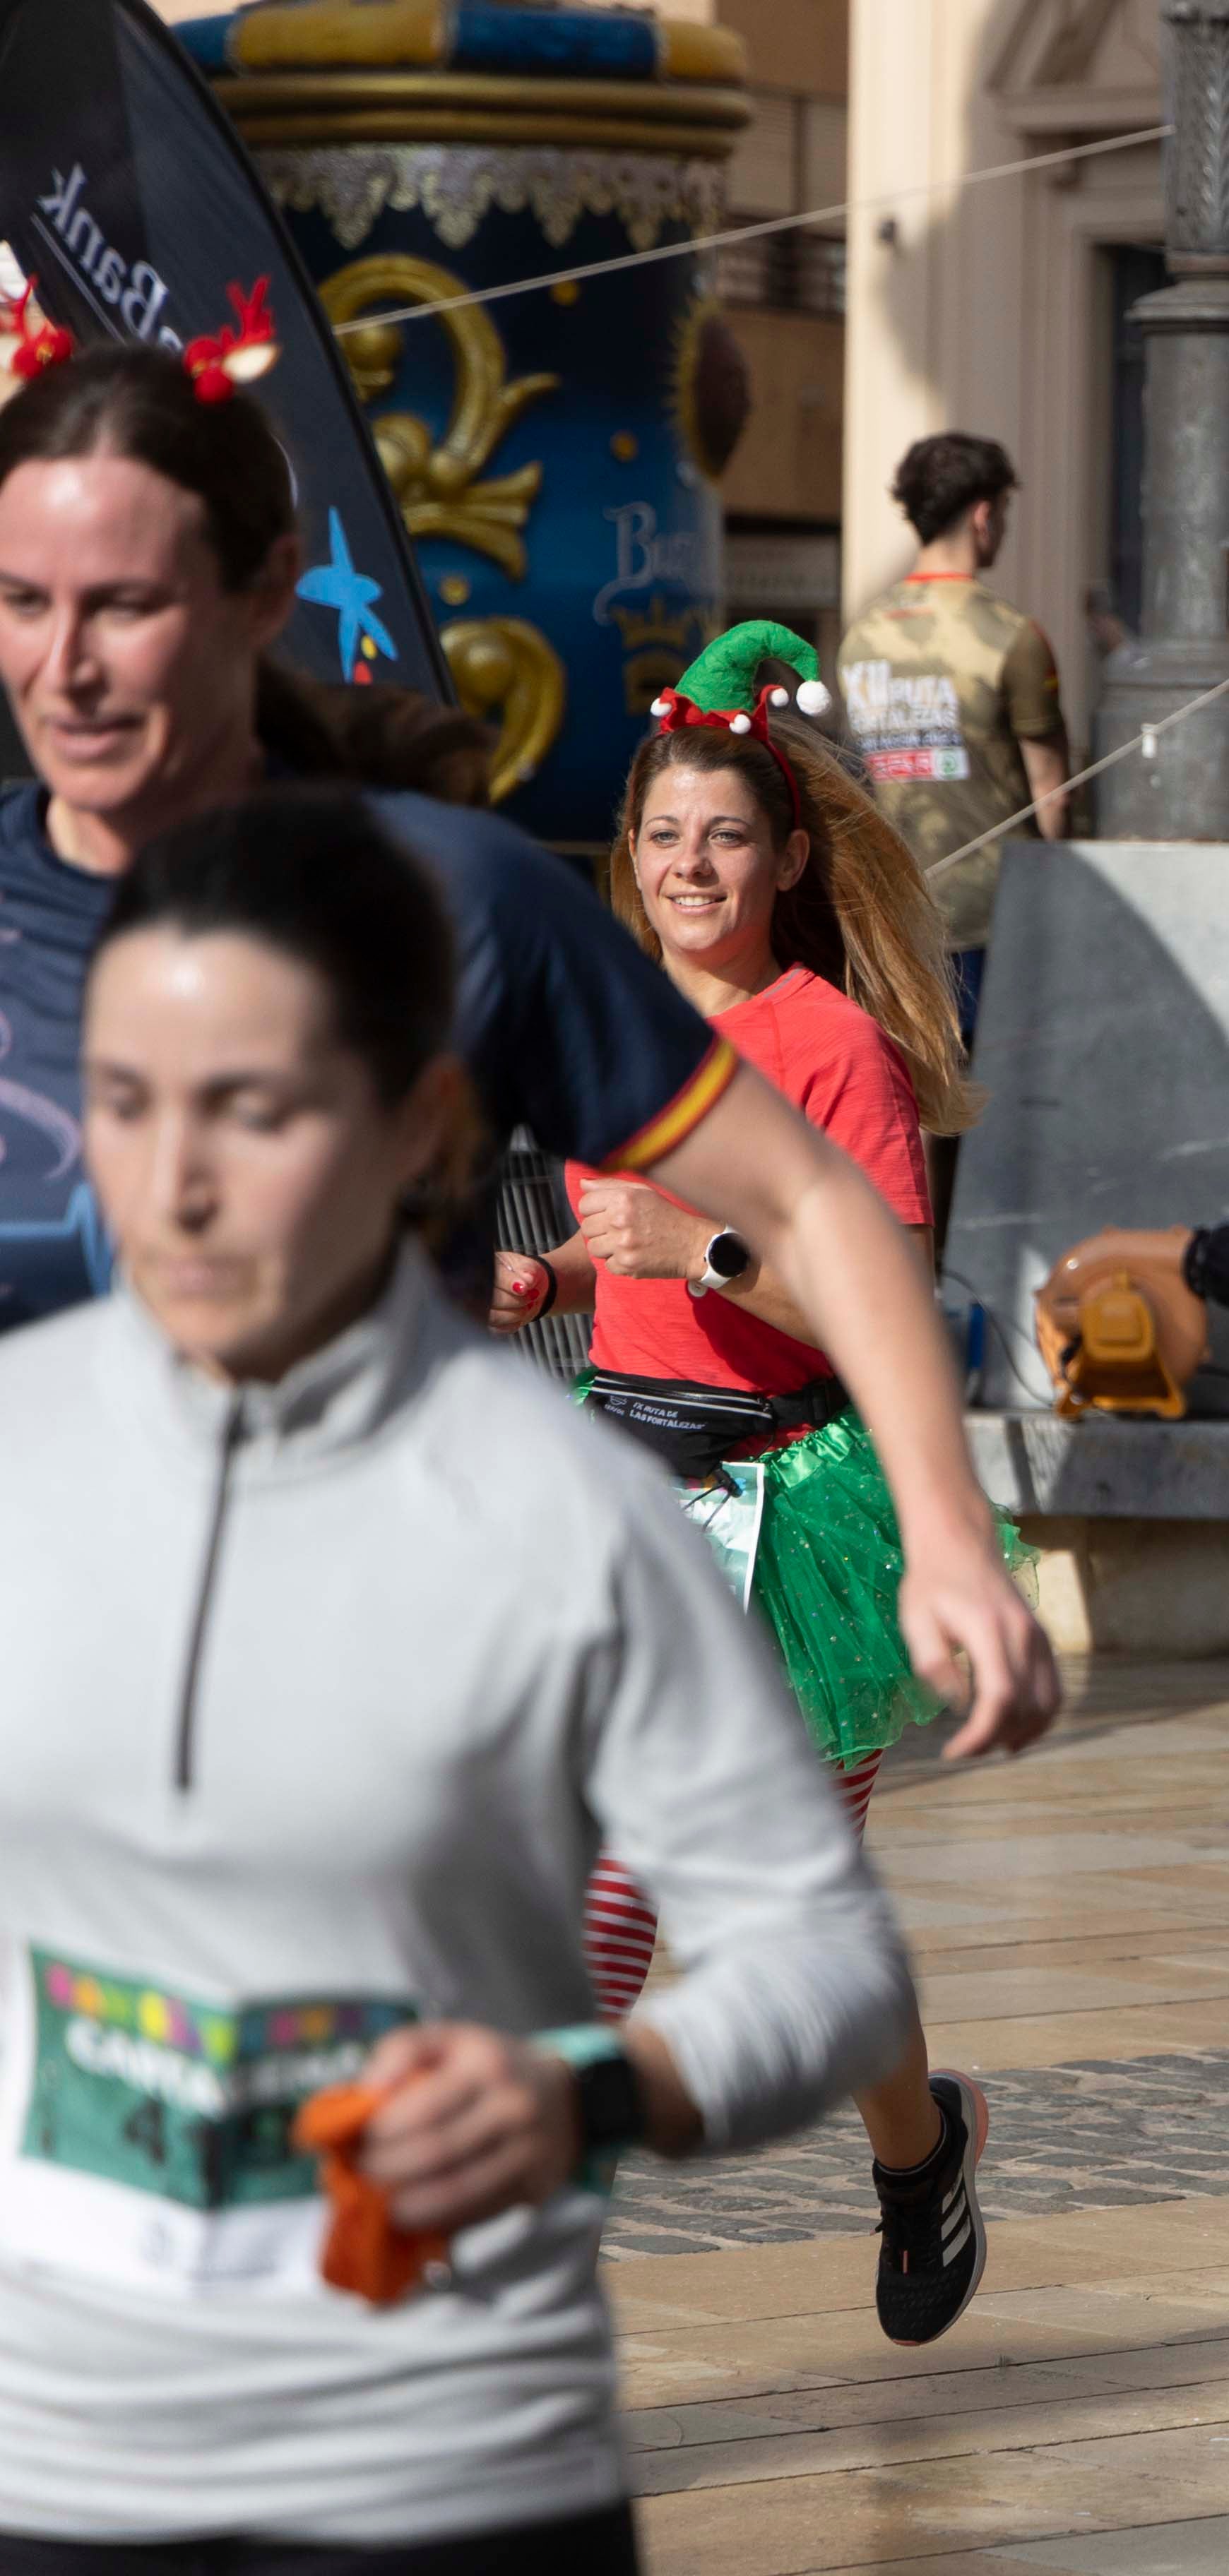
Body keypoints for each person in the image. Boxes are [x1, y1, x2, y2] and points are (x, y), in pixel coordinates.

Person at [0, 789, 910, 2566]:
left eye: (252, 1111)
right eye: (125, 1106)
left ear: (419, 1126)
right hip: (74, 2462)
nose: (176, 1182)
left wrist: (591, 2093)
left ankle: (920, 2157)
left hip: (455, 2467)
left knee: (613, 1939)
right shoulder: (24, 1455)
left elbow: (823, 1951)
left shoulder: (557, 1513)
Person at [0, 341, 1057, 1753]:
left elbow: (825, 1208)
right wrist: (551, 1274)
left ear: (265, 596)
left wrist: (941, 1529)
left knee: (728, 1900)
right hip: (49, 1660)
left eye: (123, 606)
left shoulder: (462, 903)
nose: (60, 667)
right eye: (20, 601)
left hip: (348, 1677)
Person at [489, 624, 1015, 2346]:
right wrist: (559, 1279)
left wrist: (705, 1248)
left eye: (722, 838)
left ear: (790, 860)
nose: (689, 868)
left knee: (796, 1925)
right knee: (599, 1915)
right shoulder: (607, 1029)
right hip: (623, 1484)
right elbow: (618, 1250)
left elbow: (888, 1319)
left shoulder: (828, 1048)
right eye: (661, 840)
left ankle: (919, 2149)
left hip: (791, 1506)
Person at [833, 431, 1072, 1044]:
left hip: (895, 907)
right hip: (995, 915)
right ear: (984, 514)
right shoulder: (1011, 636)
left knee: (916, 1093)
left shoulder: (862, 636)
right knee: (1001, 1093)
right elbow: (1053, 796)